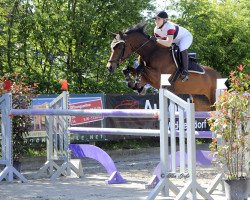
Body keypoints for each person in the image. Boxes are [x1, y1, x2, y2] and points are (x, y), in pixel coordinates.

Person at [152, 10, 193, 82]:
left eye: (159, 19)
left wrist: (156, 40)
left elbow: (168, 43)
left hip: (185, 37)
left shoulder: (169, 27)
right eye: (155, 19)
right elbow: (160, 45)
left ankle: (185, 72)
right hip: (174, 40)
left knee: (182, 48)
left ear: (164, 20)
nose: (156, 21)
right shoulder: (156, 30)